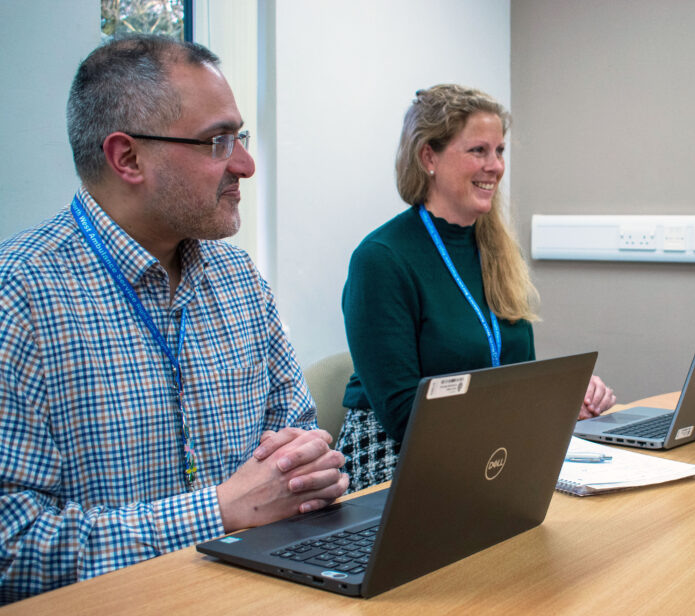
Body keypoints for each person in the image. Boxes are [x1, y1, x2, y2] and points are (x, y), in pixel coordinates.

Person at [0, 35, 347, 603]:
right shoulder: (18, 299)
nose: (246, 164)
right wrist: (215, 514)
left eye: (240, 137)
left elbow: (299, 436)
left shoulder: (239, 282)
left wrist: (313, 470)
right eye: (217, 141)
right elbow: (10, 549)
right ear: (128, 158)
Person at [337, 84, 616, 492]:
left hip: (483, 445)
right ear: (428, 156)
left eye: (499, 151)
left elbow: (515, 371)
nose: (495, 166)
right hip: (396, 455)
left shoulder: (495, 248)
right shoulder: (381, 259)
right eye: (478, 151)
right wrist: (527, 414)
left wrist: (564, 401)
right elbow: (404, 416)